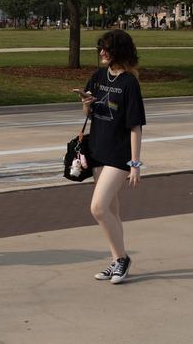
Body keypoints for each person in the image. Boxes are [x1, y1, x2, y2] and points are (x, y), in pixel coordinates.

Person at [77, 29, 146, 285]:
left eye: (107, 49)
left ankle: (121, 260)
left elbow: (135, 126)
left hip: (119, 156)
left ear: (119, 51)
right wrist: (86, 102)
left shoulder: (129, 83)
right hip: (97, 150)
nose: (102, 53)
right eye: (100, 48)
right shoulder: (98, 76)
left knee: (98, 208)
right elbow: (89, 111)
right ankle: (117, 259)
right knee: (112, 211)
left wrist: (135, 164)